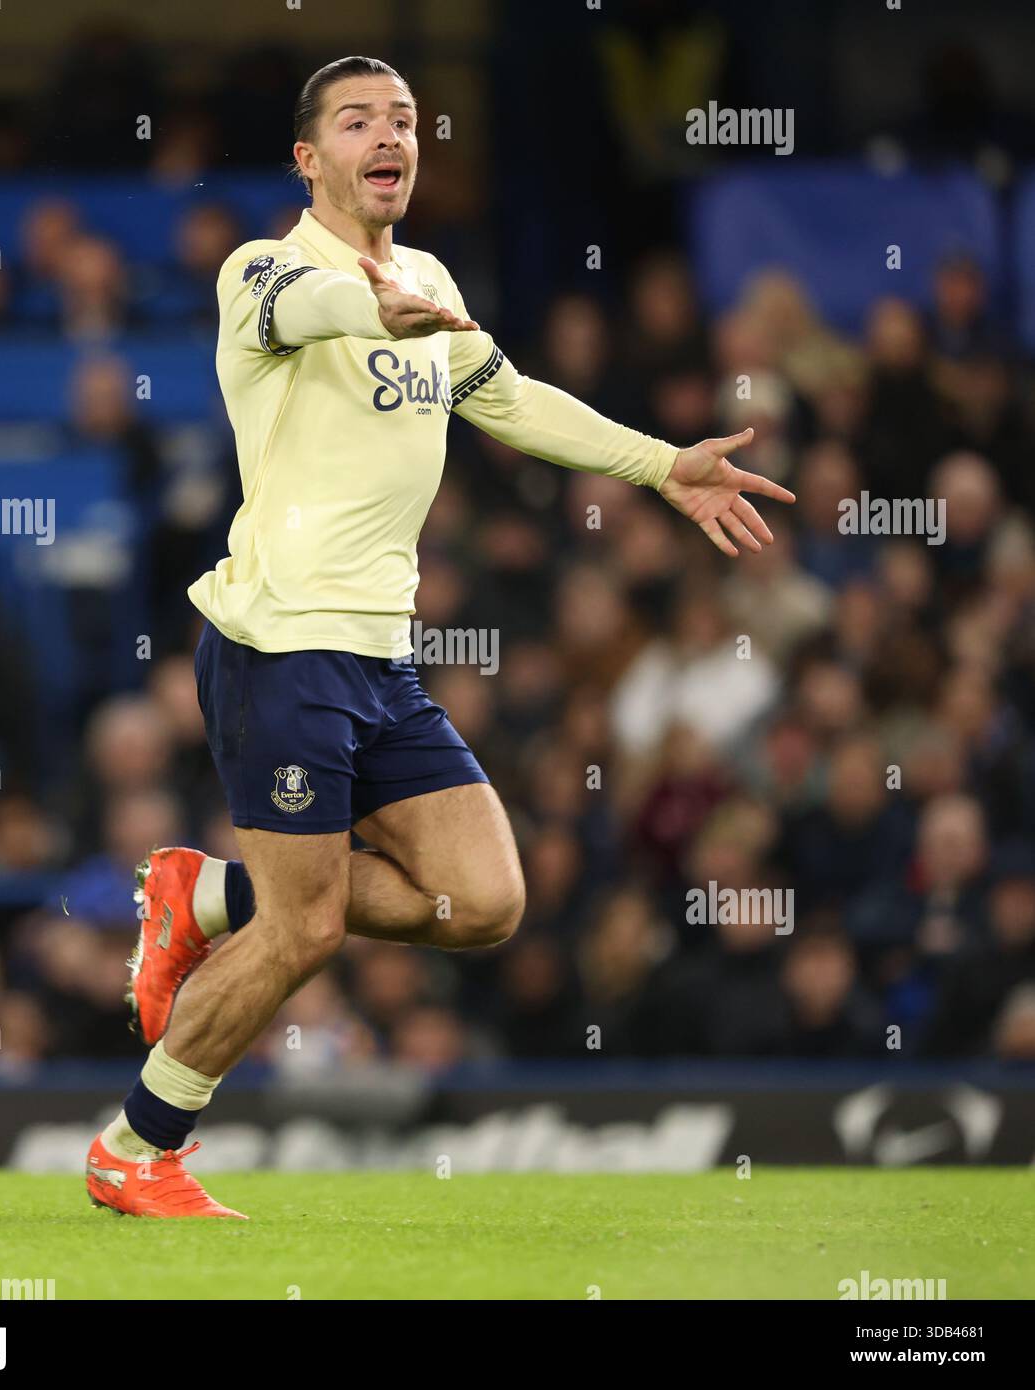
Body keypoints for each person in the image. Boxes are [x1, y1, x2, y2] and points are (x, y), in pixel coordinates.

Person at [85, 55, 794, 1218]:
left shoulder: (430, 276)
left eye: (406, 120)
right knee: (307, 923)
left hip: (379, 656)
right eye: (359, 120)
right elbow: (310, 305)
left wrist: (664, 465)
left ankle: (204, 898)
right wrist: (365, 300)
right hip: (281, 646)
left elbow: (511, 398)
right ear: (309, 157)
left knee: (483, 900)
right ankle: (138, 1142)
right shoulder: (264, 271)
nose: (390, 136)